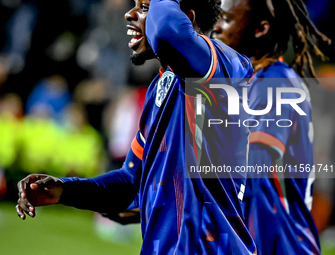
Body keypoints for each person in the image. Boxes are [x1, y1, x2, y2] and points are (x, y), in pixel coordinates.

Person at [16, 0, 257, 253]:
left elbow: (165, 27)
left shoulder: (223, 68)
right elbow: (130, 181)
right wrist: (65, 190)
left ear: (187, 17)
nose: (129, 15)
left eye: (144, 8)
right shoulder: (161, 87)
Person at [211, 0, 331, 254]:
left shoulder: (276, 83)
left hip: (279, 244)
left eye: (225, 18)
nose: (215, 28)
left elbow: (254, 169)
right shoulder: (240, 84)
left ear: (261, 28)